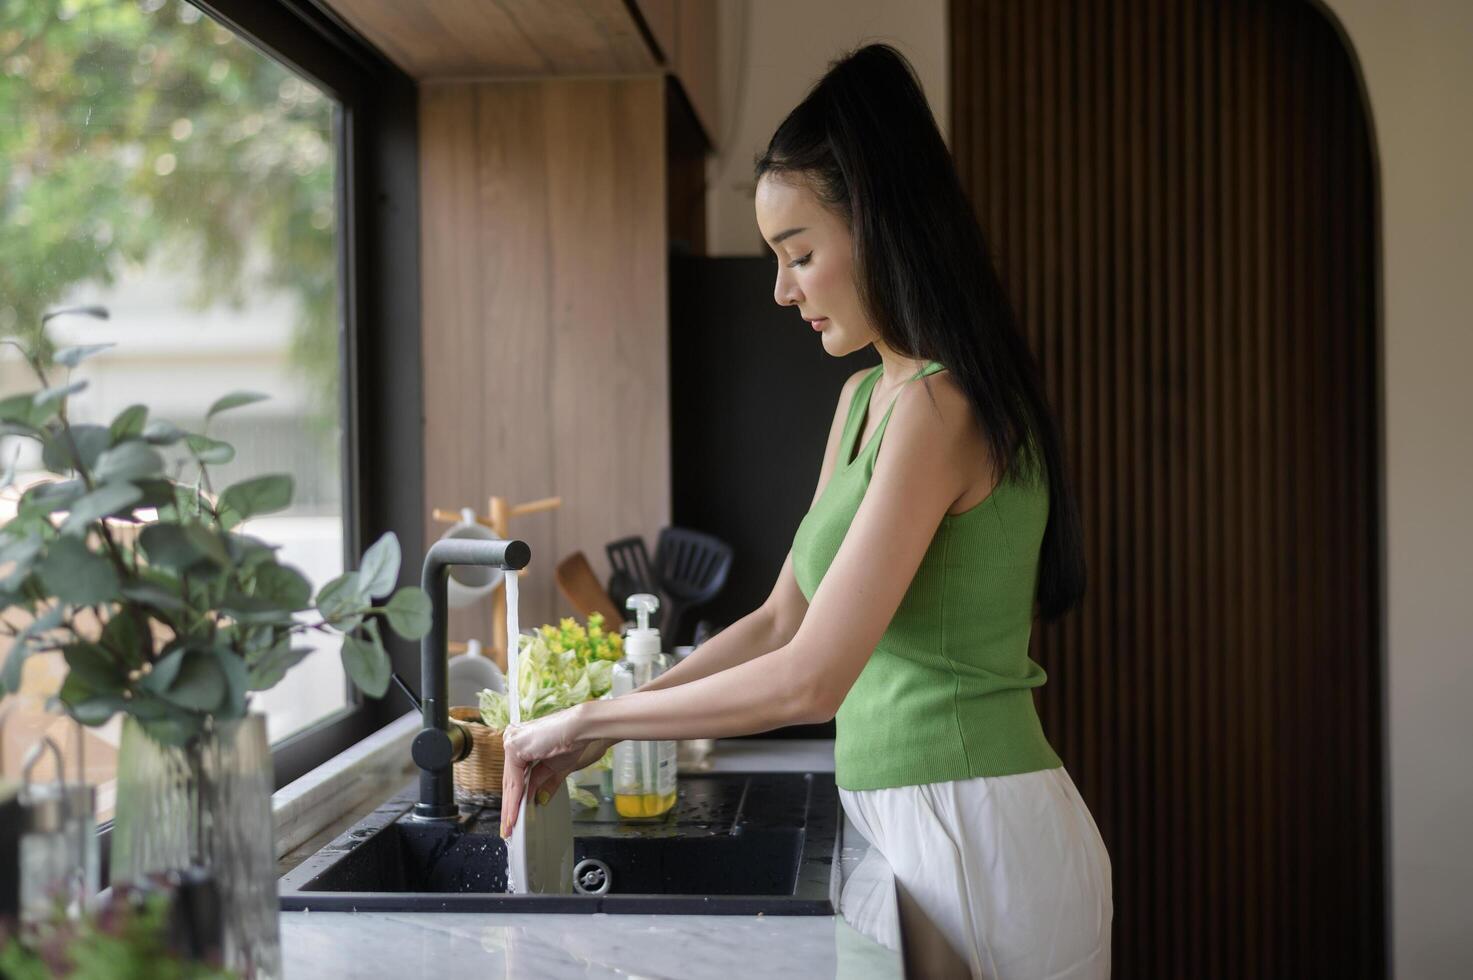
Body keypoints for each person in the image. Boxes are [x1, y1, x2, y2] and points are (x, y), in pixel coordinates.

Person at [499, 43, 1112, 980]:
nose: (782, 289)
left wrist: (592, 726)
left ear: (879, 228)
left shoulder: (943, 409)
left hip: (974, 825)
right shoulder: (868, 400)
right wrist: (606, 712)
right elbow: (780, 620)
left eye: (800, 254)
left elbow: (811, 681)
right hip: (899, 814)